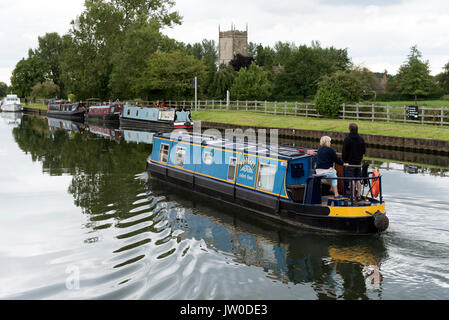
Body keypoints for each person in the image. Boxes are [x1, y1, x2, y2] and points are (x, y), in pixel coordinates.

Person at [342, 123, 366, 201]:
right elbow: (364, 151)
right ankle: (358, 196)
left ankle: (352, 196)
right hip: (358, 163)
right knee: (358, 179)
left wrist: (344, 161)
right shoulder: (361, 139)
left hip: (349, 163)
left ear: (350, 129)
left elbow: (344, 151)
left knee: (351, 179)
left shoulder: (347, 139)